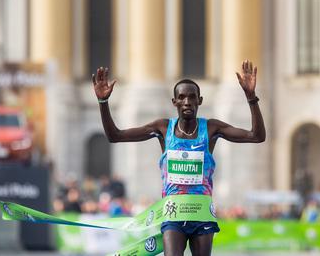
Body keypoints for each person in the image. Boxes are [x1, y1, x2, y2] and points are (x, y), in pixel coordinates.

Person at [92, 59, 266, 256]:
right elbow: (115, 136)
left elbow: (257, 136)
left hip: (201, 214)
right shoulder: (163, 128)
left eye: (192, 97)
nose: (187, 102)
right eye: (181, 97)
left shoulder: (211, 128)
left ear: (200, 100)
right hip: (173, 214)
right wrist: (103, 102)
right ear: (174, 102)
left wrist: (251, 98)